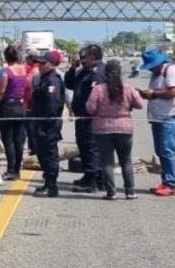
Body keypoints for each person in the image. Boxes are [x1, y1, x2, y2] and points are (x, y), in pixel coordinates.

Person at [86, 59, 143, 200]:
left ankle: (111, 192)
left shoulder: (98, 89)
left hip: (103, 129)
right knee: (126, 161)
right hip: (124, 128)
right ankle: (130, 191)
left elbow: (90, 109)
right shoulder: (128, 88)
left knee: (107, 162)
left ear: (105, 73)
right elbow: (139, 105)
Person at [138, 49, 175, 196]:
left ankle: (171, 184)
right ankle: (166, 181)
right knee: (161, 152)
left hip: (171, 116)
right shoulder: (156, 74)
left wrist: (152, 93)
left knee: (167, 150)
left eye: (152, 65)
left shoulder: (172, 70)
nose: (151, 68)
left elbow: (173, 92)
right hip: (159, 117)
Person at [64, 43, 106, 192]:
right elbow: (69, 84)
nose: (82, 61)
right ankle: (91, 176)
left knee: (91, 148)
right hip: (82, 116)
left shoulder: (98, 73)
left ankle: (93, 180)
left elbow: (99, 97)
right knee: (84, 146)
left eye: (84, 58)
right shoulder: (84, 71)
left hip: (92, 117)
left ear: (93, 57)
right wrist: (72, 68)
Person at [31, 50, 66, 197]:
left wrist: (44, 126)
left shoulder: (53, 81)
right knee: (43, 154)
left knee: (49, 155)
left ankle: (51, 186)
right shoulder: (45, 78)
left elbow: (52, 106)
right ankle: (47, 182)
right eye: (38, 63)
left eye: (43, 63)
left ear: (51, 65)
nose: (39, 65)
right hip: (41, 122)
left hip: (48, 124)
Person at [0, 46, 28, 180]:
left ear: (6, 57)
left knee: (8, 140)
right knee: (18, 140)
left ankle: (10, 169)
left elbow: (2, 91)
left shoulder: (6, 72)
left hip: (8, 107)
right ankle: (17, 169)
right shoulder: (23, 70)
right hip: (20, 106)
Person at [23, 48, 41, 156]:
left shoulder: (36, 71)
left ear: (32, 58)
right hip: (29, 105)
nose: (25, 60)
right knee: (30, 131)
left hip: (32, 105)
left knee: (32, 130)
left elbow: (30, 87)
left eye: (27, 58)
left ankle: (35, 152)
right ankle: (33, 151)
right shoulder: (31, 70)